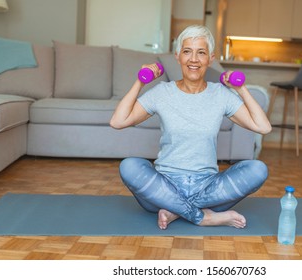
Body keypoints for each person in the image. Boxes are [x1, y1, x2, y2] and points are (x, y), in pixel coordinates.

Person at [110, 25, 271, 230]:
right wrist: (140, 82)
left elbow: (263, 127)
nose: (193, 59)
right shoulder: (162, 92)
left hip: (208, 187)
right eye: (187, 51)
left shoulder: (220, 94)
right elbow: (118, 121)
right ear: (178, 56)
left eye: (201, 52)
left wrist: (241, 89)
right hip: (163, 186)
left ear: (210, 58)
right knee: (129, 166)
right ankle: (203, 217)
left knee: (258, 169)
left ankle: (176, 210)